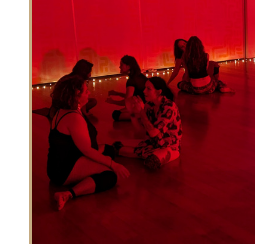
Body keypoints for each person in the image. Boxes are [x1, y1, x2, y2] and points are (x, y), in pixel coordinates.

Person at [45, 74, 130, 210]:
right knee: (110, 175)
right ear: (76, 96)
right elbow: (87, 150)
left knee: (108, 150)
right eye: (85, 91)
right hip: (63, 170)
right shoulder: (73, 117)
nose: (89, 92)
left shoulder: (64, 110)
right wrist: (114, 165)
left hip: (60, 161)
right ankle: (68, 194)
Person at [116, 76, 182, 171]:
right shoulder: (149, 105)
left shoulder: (169, 107)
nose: (144, 91)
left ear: (159, 92)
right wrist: (132, 114)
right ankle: (141, 152)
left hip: (168, 146)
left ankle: (141, 153)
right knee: (116, 145)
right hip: (152, 142)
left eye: (148, 89)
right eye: (145, 88)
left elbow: (153, 132)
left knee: (152, 162)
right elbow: (140, 132)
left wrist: (142, 112)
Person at [107, 54, 148, 122]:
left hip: (144, 107)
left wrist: (112, 101)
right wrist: (117, 93)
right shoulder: (139, 76)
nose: (120, 66)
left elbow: (127, 102)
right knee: (121, 111)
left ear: (128, 66)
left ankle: (141, 115)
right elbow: (134, 95)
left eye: (122, 65)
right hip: (145, 104)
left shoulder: (131, 81)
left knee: (116, 114)